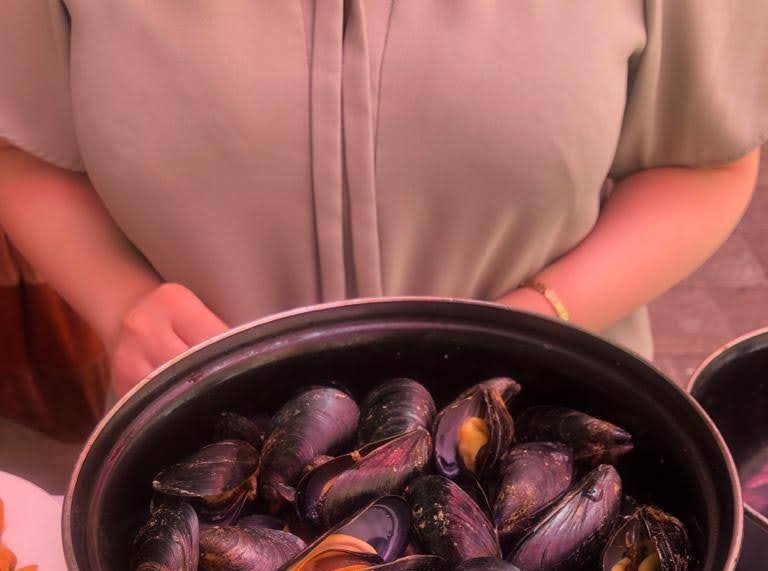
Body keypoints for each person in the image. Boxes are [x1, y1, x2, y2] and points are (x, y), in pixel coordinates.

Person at [0, 2, 765, 399]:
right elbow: (21, 144)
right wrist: (118, 299)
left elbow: (704, 161)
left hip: (546, 430)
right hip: (199, 454)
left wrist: (537, 322)